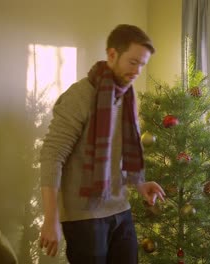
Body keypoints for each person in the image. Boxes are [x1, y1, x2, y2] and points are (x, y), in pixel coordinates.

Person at [38, 24, 165, 264]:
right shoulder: (80, 96)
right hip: (84, 216)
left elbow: (118, 154)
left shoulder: (126, 96)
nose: (137, 71)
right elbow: (52, 156)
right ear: (112, 55)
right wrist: (50, 219)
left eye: (142, 64)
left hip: (120, 208)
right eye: (132, 62)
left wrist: (139, 185)